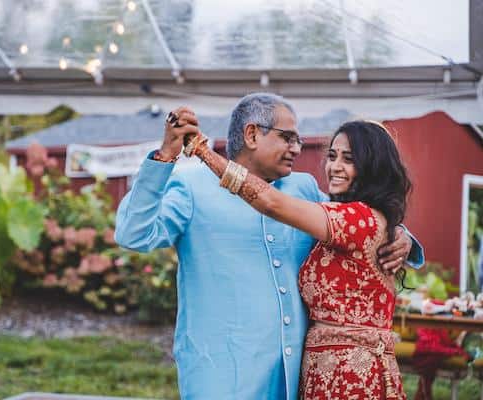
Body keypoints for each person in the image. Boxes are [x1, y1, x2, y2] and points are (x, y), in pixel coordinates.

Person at [115, 93, 423, 399]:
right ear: (251, 134)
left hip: (293, 378)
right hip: (222, 376)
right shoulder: (191, 186)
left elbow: (358, 223)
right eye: (287, 138)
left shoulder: (303, 188)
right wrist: (165, 157)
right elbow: (133, 234)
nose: (296, 148)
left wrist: (400, 234)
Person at [184, 118, 414, 398]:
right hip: (322, 373)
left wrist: (203, 152)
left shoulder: (361, 220)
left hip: (354, 375)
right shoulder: (341, 218)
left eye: (349, 159)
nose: (335, 167)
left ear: (372, 167)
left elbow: (271, 202)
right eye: (332, 156)